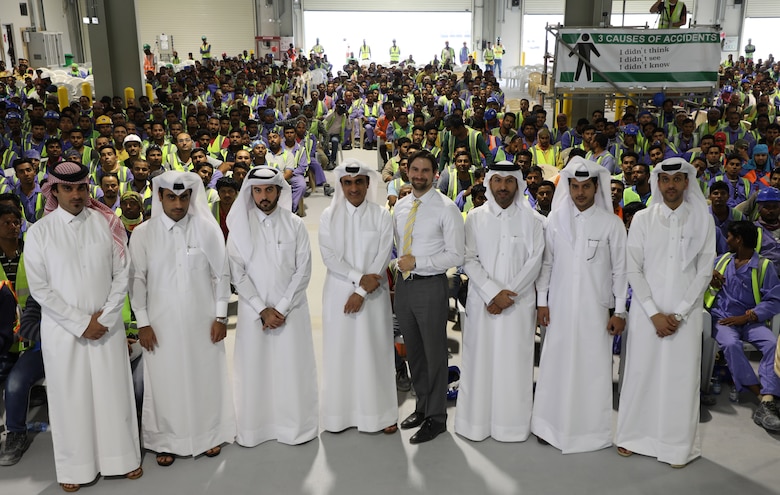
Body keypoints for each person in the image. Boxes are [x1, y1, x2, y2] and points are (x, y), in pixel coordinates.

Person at [24, 161, 142, 492]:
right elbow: (40, 289)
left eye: (81, 188)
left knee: (113, 394)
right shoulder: (39, 233)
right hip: (64, 333)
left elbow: (123, 273)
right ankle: (76, 468)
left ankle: (123, 459)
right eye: (67, 188)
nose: (76, 194)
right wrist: (80, 323)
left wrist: (103, 319)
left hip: (107, 326)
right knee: (70, 399)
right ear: (55, 190)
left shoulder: (107, 223)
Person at [128, 170, 235, 467]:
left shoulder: (206, 229)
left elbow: (220, 275)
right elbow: (137, 281)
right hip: (160, 326)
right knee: (164, 382)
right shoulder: (143, 233)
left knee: (205, 377)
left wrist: (221, 317)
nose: (178, 203)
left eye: (183, 197)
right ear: (160, 197)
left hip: (203, 322)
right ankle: (166, 440)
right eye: (171, 197)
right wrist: (143, 323)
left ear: (191, 197)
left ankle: (209, 434)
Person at [616, 157, 716, 468]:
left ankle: (676, 446)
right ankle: (633, 437)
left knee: (680, 378)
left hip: (684, 317)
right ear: (658, 183)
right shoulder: (643, 219)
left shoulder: (703, 220)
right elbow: (633, 268)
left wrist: (680, 313)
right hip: (648, 314)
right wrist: (653, 312)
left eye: (677, 179)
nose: (670, 185)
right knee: (641, 372)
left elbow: (704, 271)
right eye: (665, 179)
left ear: (687, 182)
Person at [532, 156, 628, 453]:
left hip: (594, 310)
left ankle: (589, 433)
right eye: (575, 186)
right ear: (569, 187)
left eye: (586, 187)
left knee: (592, 368)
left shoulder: (612, 224)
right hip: (559, 308)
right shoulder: (555, 221)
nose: (580, 193)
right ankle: (549, 427)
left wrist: (621, 310)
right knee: (554, 366)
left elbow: (620, 270)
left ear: (595, 188)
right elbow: (546, 265)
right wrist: (542, 302)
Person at [226, 166, 318, 446]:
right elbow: (236, 272)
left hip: (291, 311)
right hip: (254, 314)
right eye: (257, 190)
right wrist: (261, 308)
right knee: (255, 369)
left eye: (269, 190)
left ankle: (295, 427)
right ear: (250, 192)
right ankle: (256, 428)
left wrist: (281, 307)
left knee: (292, 368)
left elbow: (303, 270)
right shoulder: (240, 227)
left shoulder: (295, 224)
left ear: (279, 190)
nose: (263, 196)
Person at [455, 161, 544, 442]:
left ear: (517, 184)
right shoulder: (475, 218)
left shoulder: (533, 220)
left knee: (513, 364)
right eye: (497, 181)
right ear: (489, 183)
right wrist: (493, 292)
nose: (503, 187)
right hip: (483, 303)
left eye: (509, 181)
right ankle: (475, 424)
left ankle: (512, 426)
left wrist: (507, 295)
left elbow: (535, 261)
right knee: (479, 362)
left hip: (518, 306)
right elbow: (468, 259)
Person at [318, 160, 397, 434]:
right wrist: (357, 281)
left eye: (359, 182)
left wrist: (362, 291)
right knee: (341, 352)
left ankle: (381, 414)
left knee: (375, 350)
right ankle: (340, 415)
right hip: (339, 293)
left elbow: (383, 256)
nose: (354, 188)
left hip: (373, 296)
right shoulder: (329, 216)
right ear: (341, 185)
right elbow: (329, 257)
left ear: (367, 184)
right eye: (348, 183)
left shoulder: (381, 215)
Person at [394, 150, 465, 444]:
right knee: (414, 351)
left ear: (435, 174)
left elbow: (456, 254)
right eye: (415, 170)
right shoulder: (399, 206)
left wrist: (418, 264)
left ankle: (436, 418)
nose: (419, 175)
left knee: (435, 353)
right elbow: (397, 247)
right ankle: (422, 407)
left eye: (425, 171)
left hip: (430, 285)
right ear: (407, 171)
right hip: (404, 287)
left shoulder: (446, 209)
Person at [704, 221, 780, 431]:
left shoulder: (764, 266)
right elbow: (696, 274)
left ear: (738, 240)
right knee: (731, 345)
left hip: (750, 320)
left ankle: (768, 397)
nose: (725, 240)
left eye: (728, 237)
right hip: (722, 319)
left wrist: (750, 316)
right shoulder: (721, 261)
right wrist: (708, 275)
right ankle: (762, 396)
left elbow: (774, 299)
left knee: (772, 344)